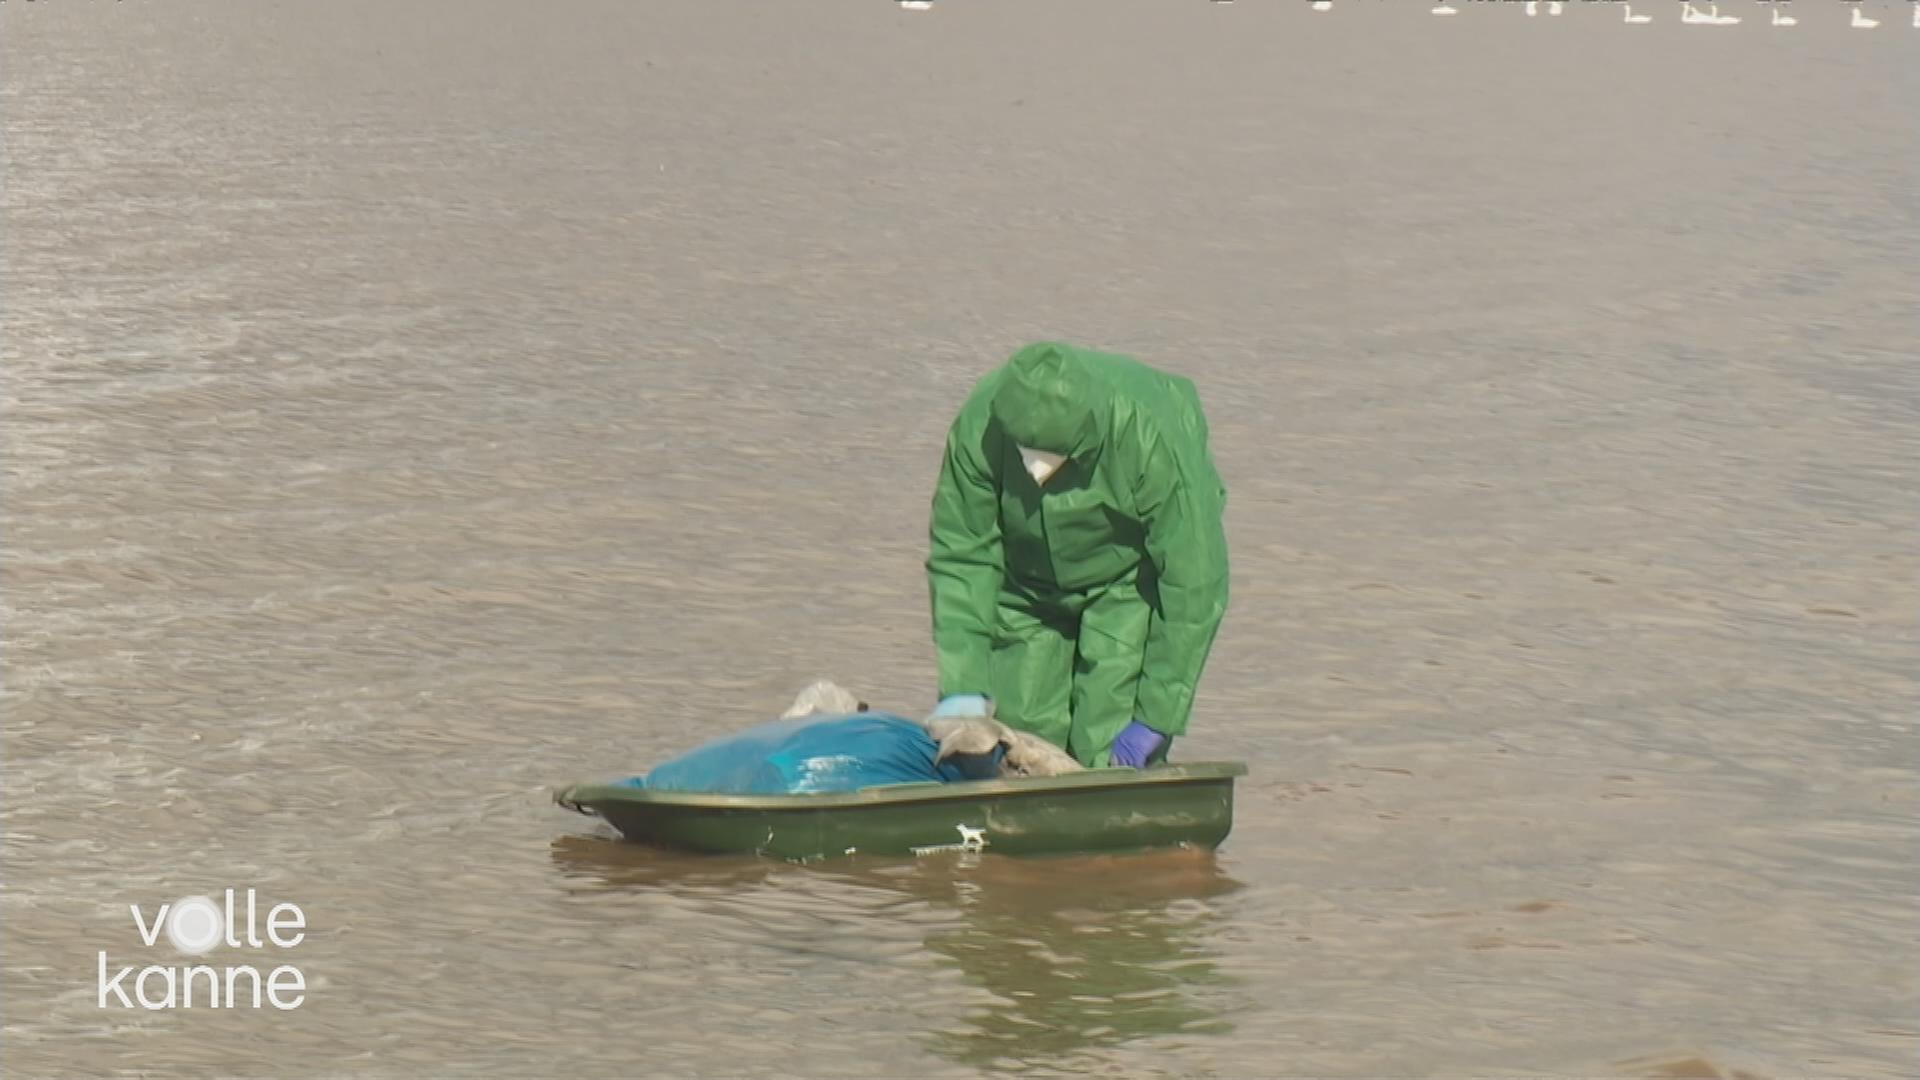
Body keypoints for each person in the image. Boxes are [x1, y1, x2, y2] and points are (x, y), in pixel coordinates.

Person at [926, 341, 1229, 768]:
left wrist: (1157, 716)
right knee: (1022, 746)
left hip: (1122, 586)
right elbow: (962, 554)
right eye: (1026, 453)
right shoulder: (981, 426)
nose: (1036, 470)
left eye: (1052, 457)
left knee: (1105, 745)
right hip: (1024, 589)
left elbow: (1193, 580)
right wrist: (963, 685)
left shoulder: (1151, 435)